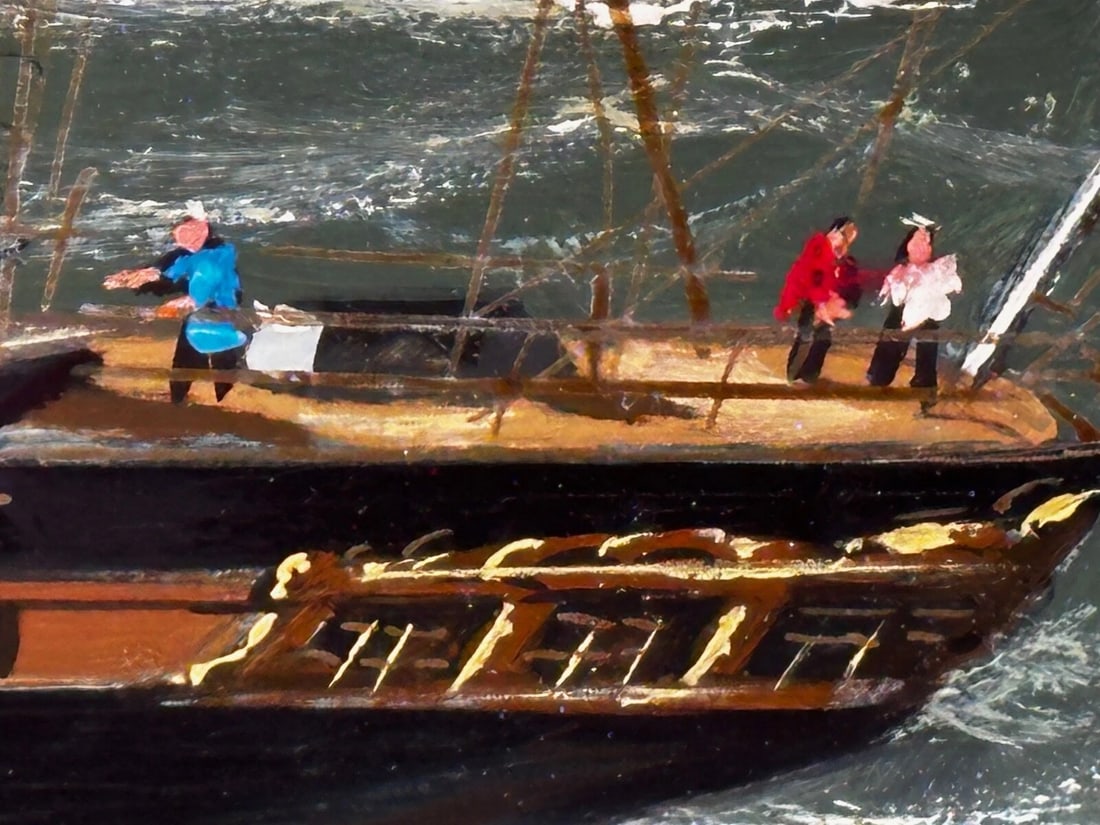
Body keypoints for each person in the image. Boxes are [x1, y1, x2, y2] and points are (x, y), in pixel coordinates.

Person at [103, 210, 247, 403]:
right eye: (181, 236)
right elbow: (169, 268)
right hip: (207, 310)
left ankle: (203, 396)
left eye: (190, 235)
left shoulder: (218, 254)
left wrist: (192, 300)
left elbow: (207, 276)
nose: (185, 242)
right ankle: (186, 396)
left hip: (221, 310)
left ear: (204, 230)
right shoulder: (191, 255)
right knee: (194, 356)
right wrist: (134, 276)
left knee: (210, 356)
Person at [866, 219, 961, 389]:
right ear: (907, 245)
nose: (922, 246)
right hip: (901, 313)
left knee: (928, 340)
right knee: (891, 340)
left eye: (927, 243)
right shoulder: (899, 272)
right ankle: (879, 376)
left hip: (927, 313)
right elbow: (886, 293)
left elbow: (951, 285)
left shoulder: (935, 271)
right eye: (917, 241)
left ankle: (924, 383)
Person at [774, 217, 863, 383]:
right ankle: (794, 377)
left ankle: (807, 377)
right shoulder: (819, 247)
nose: (847, 241)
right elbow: (814, 276)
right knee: (807, 336)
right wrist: (821, 303)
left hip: (820, 302)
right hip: (807, 299)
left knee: (821, 339)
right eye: (846, 235)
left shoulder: (841, 258)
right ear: (835, 232)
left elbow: (843, 283)